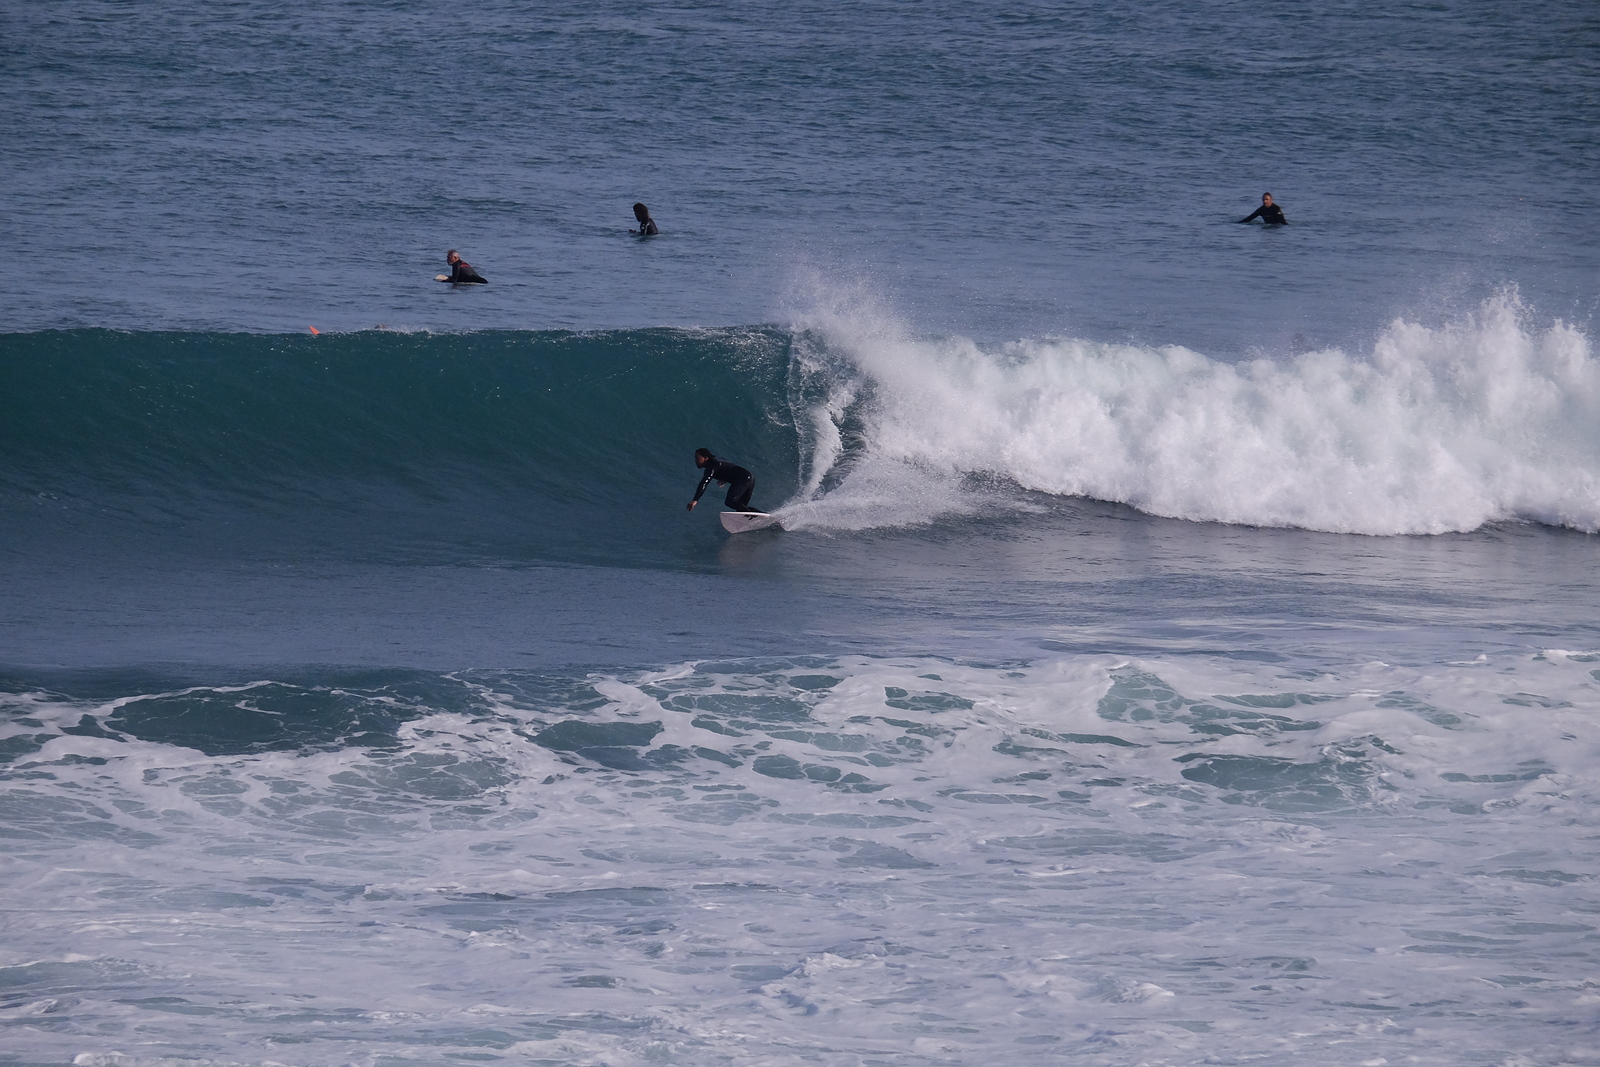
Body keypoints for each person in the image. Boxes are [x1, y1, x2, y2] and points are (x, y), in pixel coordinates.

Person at [687, 448, 758, 513]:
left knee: (729, 501)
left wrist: (695, 500)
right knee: (741, 507)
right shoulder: (717, 460)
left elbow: (704, 483)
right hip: (750, 478)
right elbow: (730, 464)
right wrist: (725, 477)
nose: (695, 460)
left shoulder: (711, 468)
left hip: (744, 478)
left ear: (705, 458)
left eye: (697, 457)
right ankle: (764, 516)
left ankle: (751, 516)